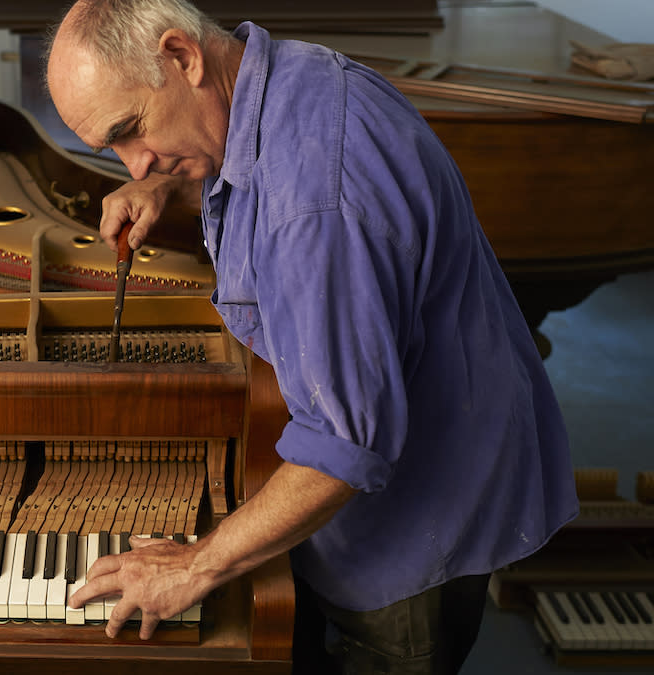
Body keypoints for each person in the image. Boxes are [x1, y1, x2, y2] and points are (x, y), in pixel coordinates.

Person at [45, 1, 580, 672]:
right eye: (113, 148)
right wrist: (169, 186)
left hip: (416, 528)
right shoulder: (272, 83)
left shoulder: (319, 199)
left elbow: (344, 446)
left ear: (182, 56)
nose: (133, 164)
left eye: (132, 130)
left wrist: (194, 564)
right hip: (400, 457)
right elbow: (255, 180)